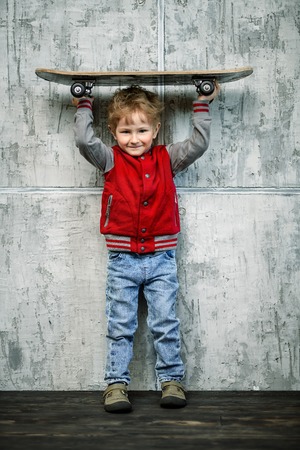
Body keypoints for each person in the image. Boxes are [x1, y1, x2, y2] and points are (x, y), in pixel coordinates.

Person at [73, 82, 219, 413]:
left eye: (142, 129)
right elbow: (84, 140)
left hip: (161, 259)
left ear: (155, 129)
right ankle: (115, 385)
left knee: (165, 322)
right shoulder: (109, 159)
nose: (134, 138)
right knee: (120, 325)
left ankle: (172, 381)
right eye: (126, 131)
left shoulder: (167, 158)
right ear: (114, 131)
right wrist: (83, 103)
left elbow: (198, 143)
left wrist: (202, 103)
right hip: (122, 260)